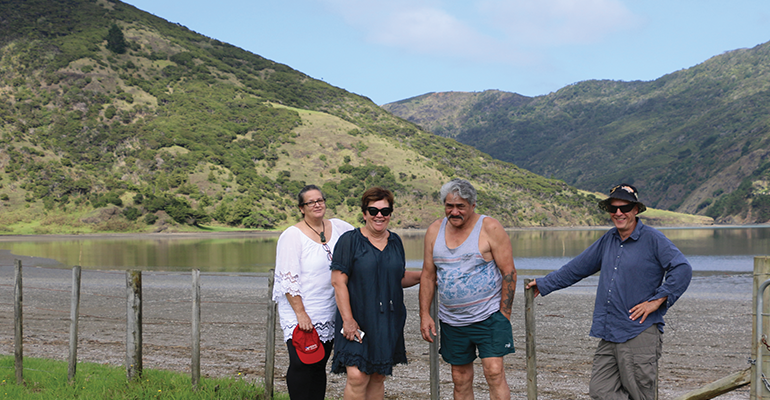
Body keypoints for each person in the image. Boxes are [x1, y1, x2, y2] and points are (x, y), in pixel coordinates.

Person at [525, 183, 692, 400]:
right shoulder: (608, 239)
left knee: (639, 394)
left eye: (625, 207)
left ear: (636, 210)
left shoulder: (653, 239)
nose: (619, 213)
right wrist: (545, 283)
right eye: (614, 209)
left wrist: (658, 300)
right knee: (600, 390)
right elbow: (577, 268)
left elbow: (682, 268)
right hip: (609, 331)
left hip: (639, 331)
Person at [419, 178, 517, 400]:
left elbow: (509, 273)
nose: (454, 212)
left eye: (460, 206)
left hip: (489, 317)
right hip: (452, 321)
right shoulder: (435, 230)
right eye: (449, 206)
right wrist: (425, 314)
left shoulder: (490, 227)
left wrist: (504, 315)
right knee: (459, 377)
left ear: (473, 206)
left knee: (494, 372)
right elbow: (427, 274)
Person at [330, 186, 422, 400]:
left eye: (385, 211)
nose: (379, 215)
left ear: (390, 214)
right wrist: (348, 320)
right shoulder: (349, 241)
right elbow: (338, 282)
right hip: (356, 319)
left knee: (379, 376)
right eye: (373, 211)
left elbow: (396, 278)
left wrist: (424, 276)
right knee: (357, 376)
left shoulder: (396, 242)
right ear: (364, 214)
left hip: (388, 320)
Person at [272, 184, 354, 400]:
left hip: (328, 309)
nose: (317, 204)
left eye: (320, 200)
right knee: (301, 364)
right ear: (302, 208)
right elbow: (288, 279)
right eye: (311, 202)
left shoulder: (339, 227)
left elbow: (361, 241)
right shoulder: (292, 235)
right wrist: (301, 314)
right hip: (301, 311)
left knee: (319, 364)